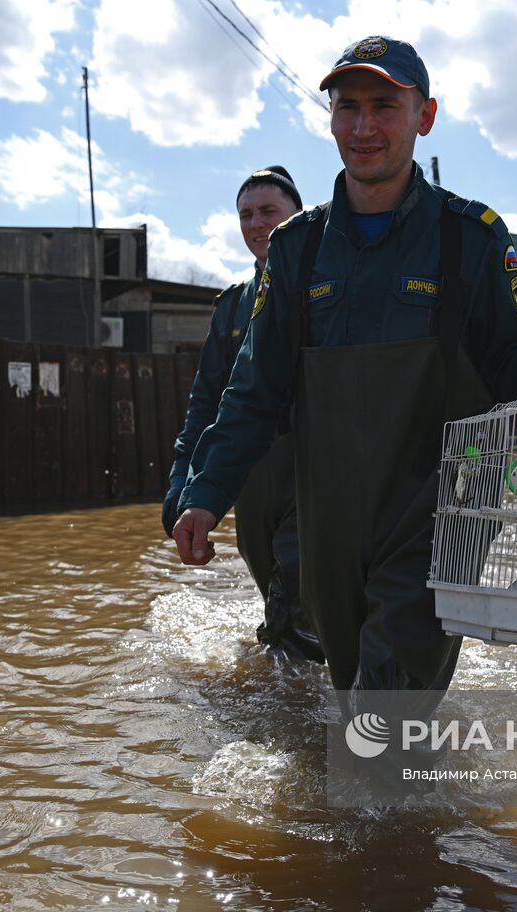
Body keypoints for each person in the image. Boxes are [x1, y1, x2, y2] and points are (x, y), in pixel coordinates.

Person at [173, 37, 517, 712]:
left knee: (386, 705)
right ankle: (398, 813)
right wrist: (204, 491)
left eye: (384, 106)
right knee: (350, 693)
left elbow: (509, 367)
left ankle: (392, 808)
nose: (364, 127)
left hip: (445, 502)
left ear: (424, 116)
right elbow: (254, 391)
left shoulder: (471, 237)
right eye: (348, 107)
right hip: (333, 515)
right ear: (331, 118)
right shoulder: (297, 250)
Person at [163, 166, 324, 663]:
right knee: (271, 585)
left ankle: (298, 719)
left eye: (269, 212)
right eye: (246, 215)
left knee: (296, 591)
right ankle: (293, 695)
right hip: (251, 472)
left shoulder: (328, 290)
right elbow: (205, 404)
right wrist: (183, 492)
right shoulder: (231, 307)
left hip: (318, 466)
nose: (257, 224)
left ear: (297, 215)